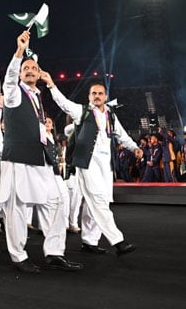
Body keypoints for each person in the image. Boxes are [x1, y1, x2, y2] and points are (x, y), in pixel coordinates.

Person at [0, 30, 82, 273]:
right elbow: (9, 79)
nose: (30, 70)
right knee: (17, 207)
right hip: (18, 158)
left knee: (56, 201)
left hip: (40, 158)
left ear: (40, 74)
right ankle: (18, 255)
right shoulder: (14, 94)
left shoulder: (37, 96)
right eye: (26, 68)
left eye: (34, 68)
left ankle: (54, 252)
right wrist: (19, 52)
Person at [43, 75, 143, 256]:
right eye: (93, 93)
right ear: (89, 96)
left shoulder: (111, 115)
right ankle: (118, 241)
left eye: (100, 93)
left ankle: (90, 241)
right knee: (97, 200)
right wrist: (51, 85)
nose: (97, 96)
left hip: (105, 165)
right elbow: (63, 103)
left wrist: (134, 148)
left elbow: (122, 135)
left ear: (105, 96)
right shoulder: (82, 111)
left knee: (98, 202)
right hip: (86, 164)